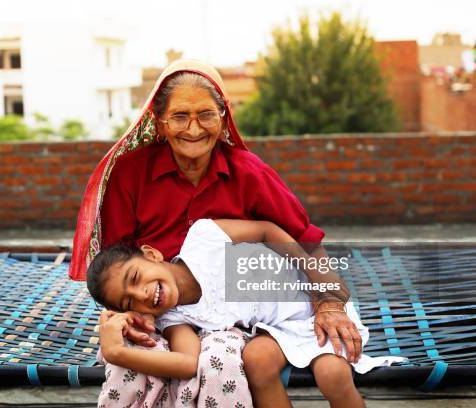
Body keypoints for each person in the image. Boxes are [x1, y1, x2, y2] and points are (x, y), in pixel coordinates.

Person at [72, 59, 360, 406]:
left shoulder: (249, 172)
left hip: (245, 315)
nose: (193, 128)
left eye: (206, 114)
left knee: (220, 363)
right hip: (164, 314)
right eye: (179, 116)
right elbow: (119, 266)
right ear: (159, 124)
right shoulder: (130, 174)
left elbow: (304, 241)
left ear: (223, 118)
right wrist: (125, 314)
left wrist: (329, 299)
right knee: (130, 370)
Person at [88, 219, 405, 407]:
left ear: (151, 254)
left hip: (317, 303)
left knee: (332, 374)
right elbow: (186, 363)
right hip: (278, 329)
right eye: (129, 302)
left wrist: (323, 286)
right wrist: (115, 352)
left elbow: (267, 231)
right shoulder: (175, 318)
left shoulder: (204, 238)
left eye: (134, 278)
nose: (141, 294)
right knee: (256, 360)